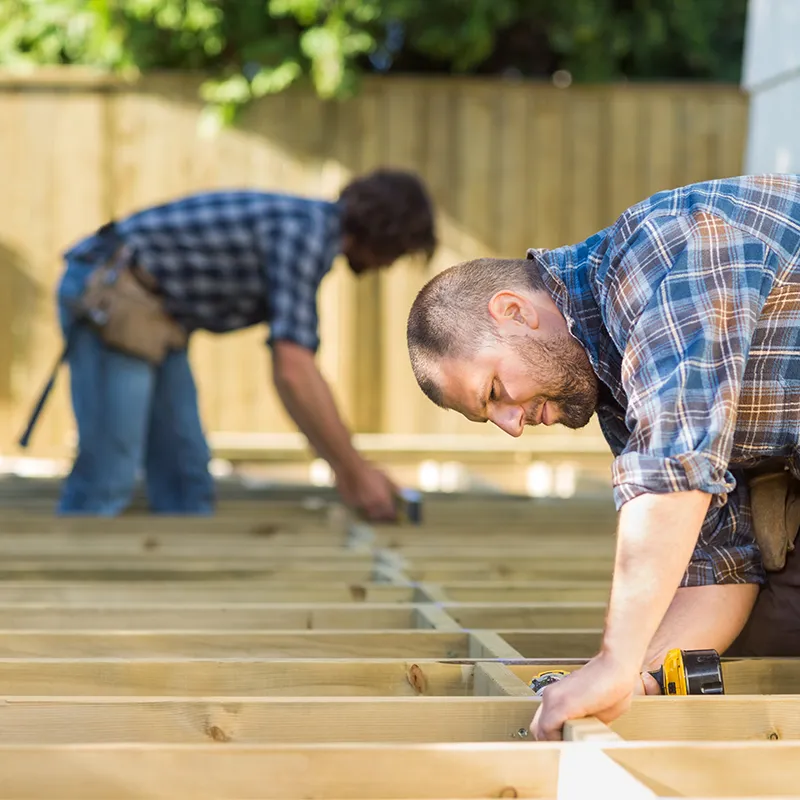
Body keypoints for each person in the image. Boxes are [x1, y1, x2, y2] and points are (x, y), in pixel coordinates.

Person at [406, 173, 800, 739]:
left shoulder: (659, 254)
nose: (511, 426)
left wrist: (616, 657)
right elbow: (723, 565)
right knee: (770, 637)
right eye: (490, 417)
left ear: (514, 310)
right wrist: (633, 676)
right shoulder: (616, 394)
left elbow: (674, 461)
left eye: (494, 393)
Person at [53, 168, 436, 517]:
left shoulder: (309, 229)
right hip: (112, 292)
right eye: (397, 253)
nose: (388, 266)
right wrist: (354, 472)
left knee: (186, 484)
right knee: (109, 475)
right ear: (386, 233)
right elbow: (293, 370)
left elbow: (295, 375)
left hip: (158, 313)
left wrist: (352, 471)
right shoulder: (304, 233)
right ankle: (66, 583)